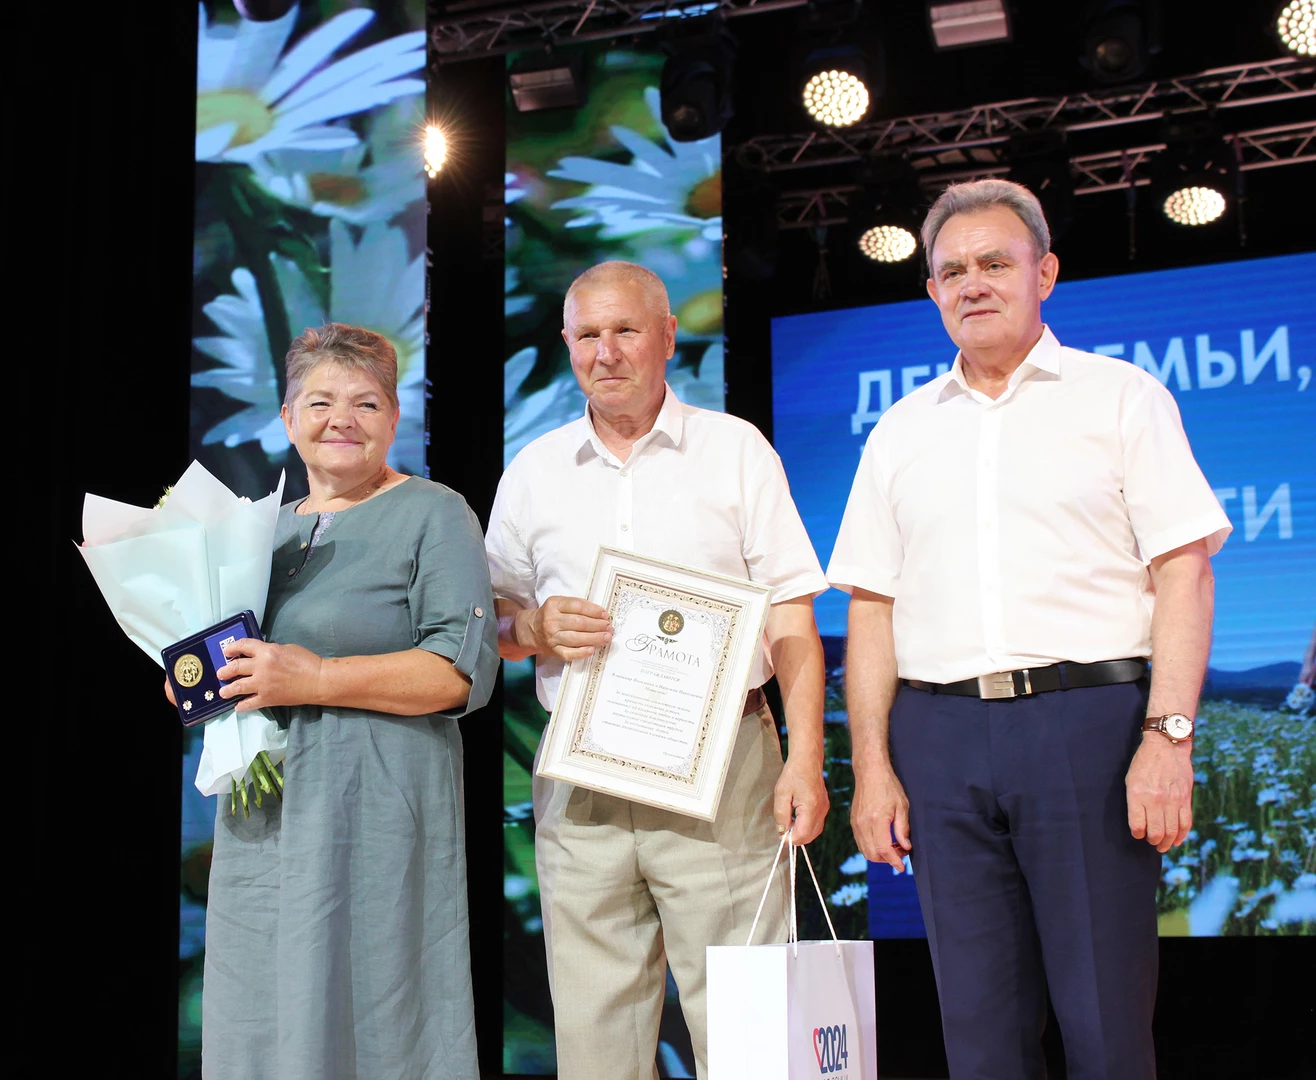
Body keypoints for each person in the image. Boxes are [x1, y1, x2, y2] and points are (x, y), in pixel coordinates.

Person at [829, 179, 1229, 1080]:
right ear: (931, 291)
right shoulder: (899, 431)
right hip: (938, 737)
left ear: (1044, 274)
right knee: (978, 1035)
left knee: (1104, 1026)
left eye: (994, 263)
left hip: (1085, 725)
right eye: (952, 271)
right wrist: (874, 768)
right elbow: (872, 607)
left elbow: (1184, 570)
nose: (972, 284)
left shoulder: (1121, 398)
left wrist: (1169, 736)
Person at [486, 261, 831, 1079]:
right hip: (582, 774)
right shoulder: (533, 470)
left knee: (747, 1029)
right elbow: (495, 625)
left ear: (669, 337)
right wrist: (532, 625)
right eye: (587, 335)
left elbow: (790, 618)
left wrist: (807, 759)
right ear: (567, 343)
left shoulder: (735, 450)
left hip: (726, 767)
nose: (605, 352)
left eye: (625, 330)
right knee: (594, 1029)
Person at [181, 322, 498, 1080]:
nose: (341, 420)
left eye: (366, 403)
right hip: (263, 820)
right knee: (261, 1014)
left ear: (394, 418)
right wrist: (194, 680)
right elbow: (228, 660)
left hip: (377, 811)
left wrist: (317, 678)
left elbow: (460, 674)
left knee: (379, 1008)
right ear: (288, 418)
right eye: (320, 402)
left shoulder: (434, 512)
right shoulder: (259, 532)